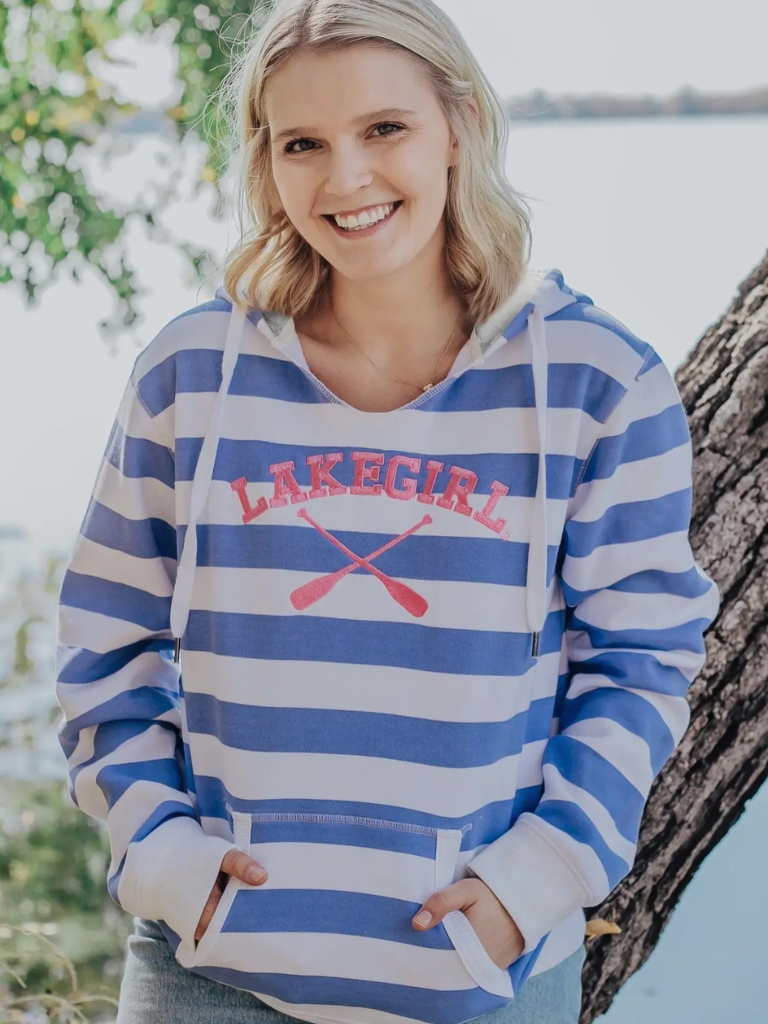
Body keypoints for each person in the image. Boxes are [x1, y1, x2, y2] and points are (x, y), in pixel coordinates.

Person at [54, 0, 721, 1022]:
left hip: (479, 977)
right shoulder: (190, 375)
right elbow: (106, 647)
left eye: (384, 129)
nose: (347, 178)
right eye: (304, 144)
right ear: (266, 163)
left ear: (458, 125)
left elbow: (641, 664)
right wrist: (162, 854)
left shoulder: (597, 381)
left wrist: (526, 886)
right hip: (209, 973)